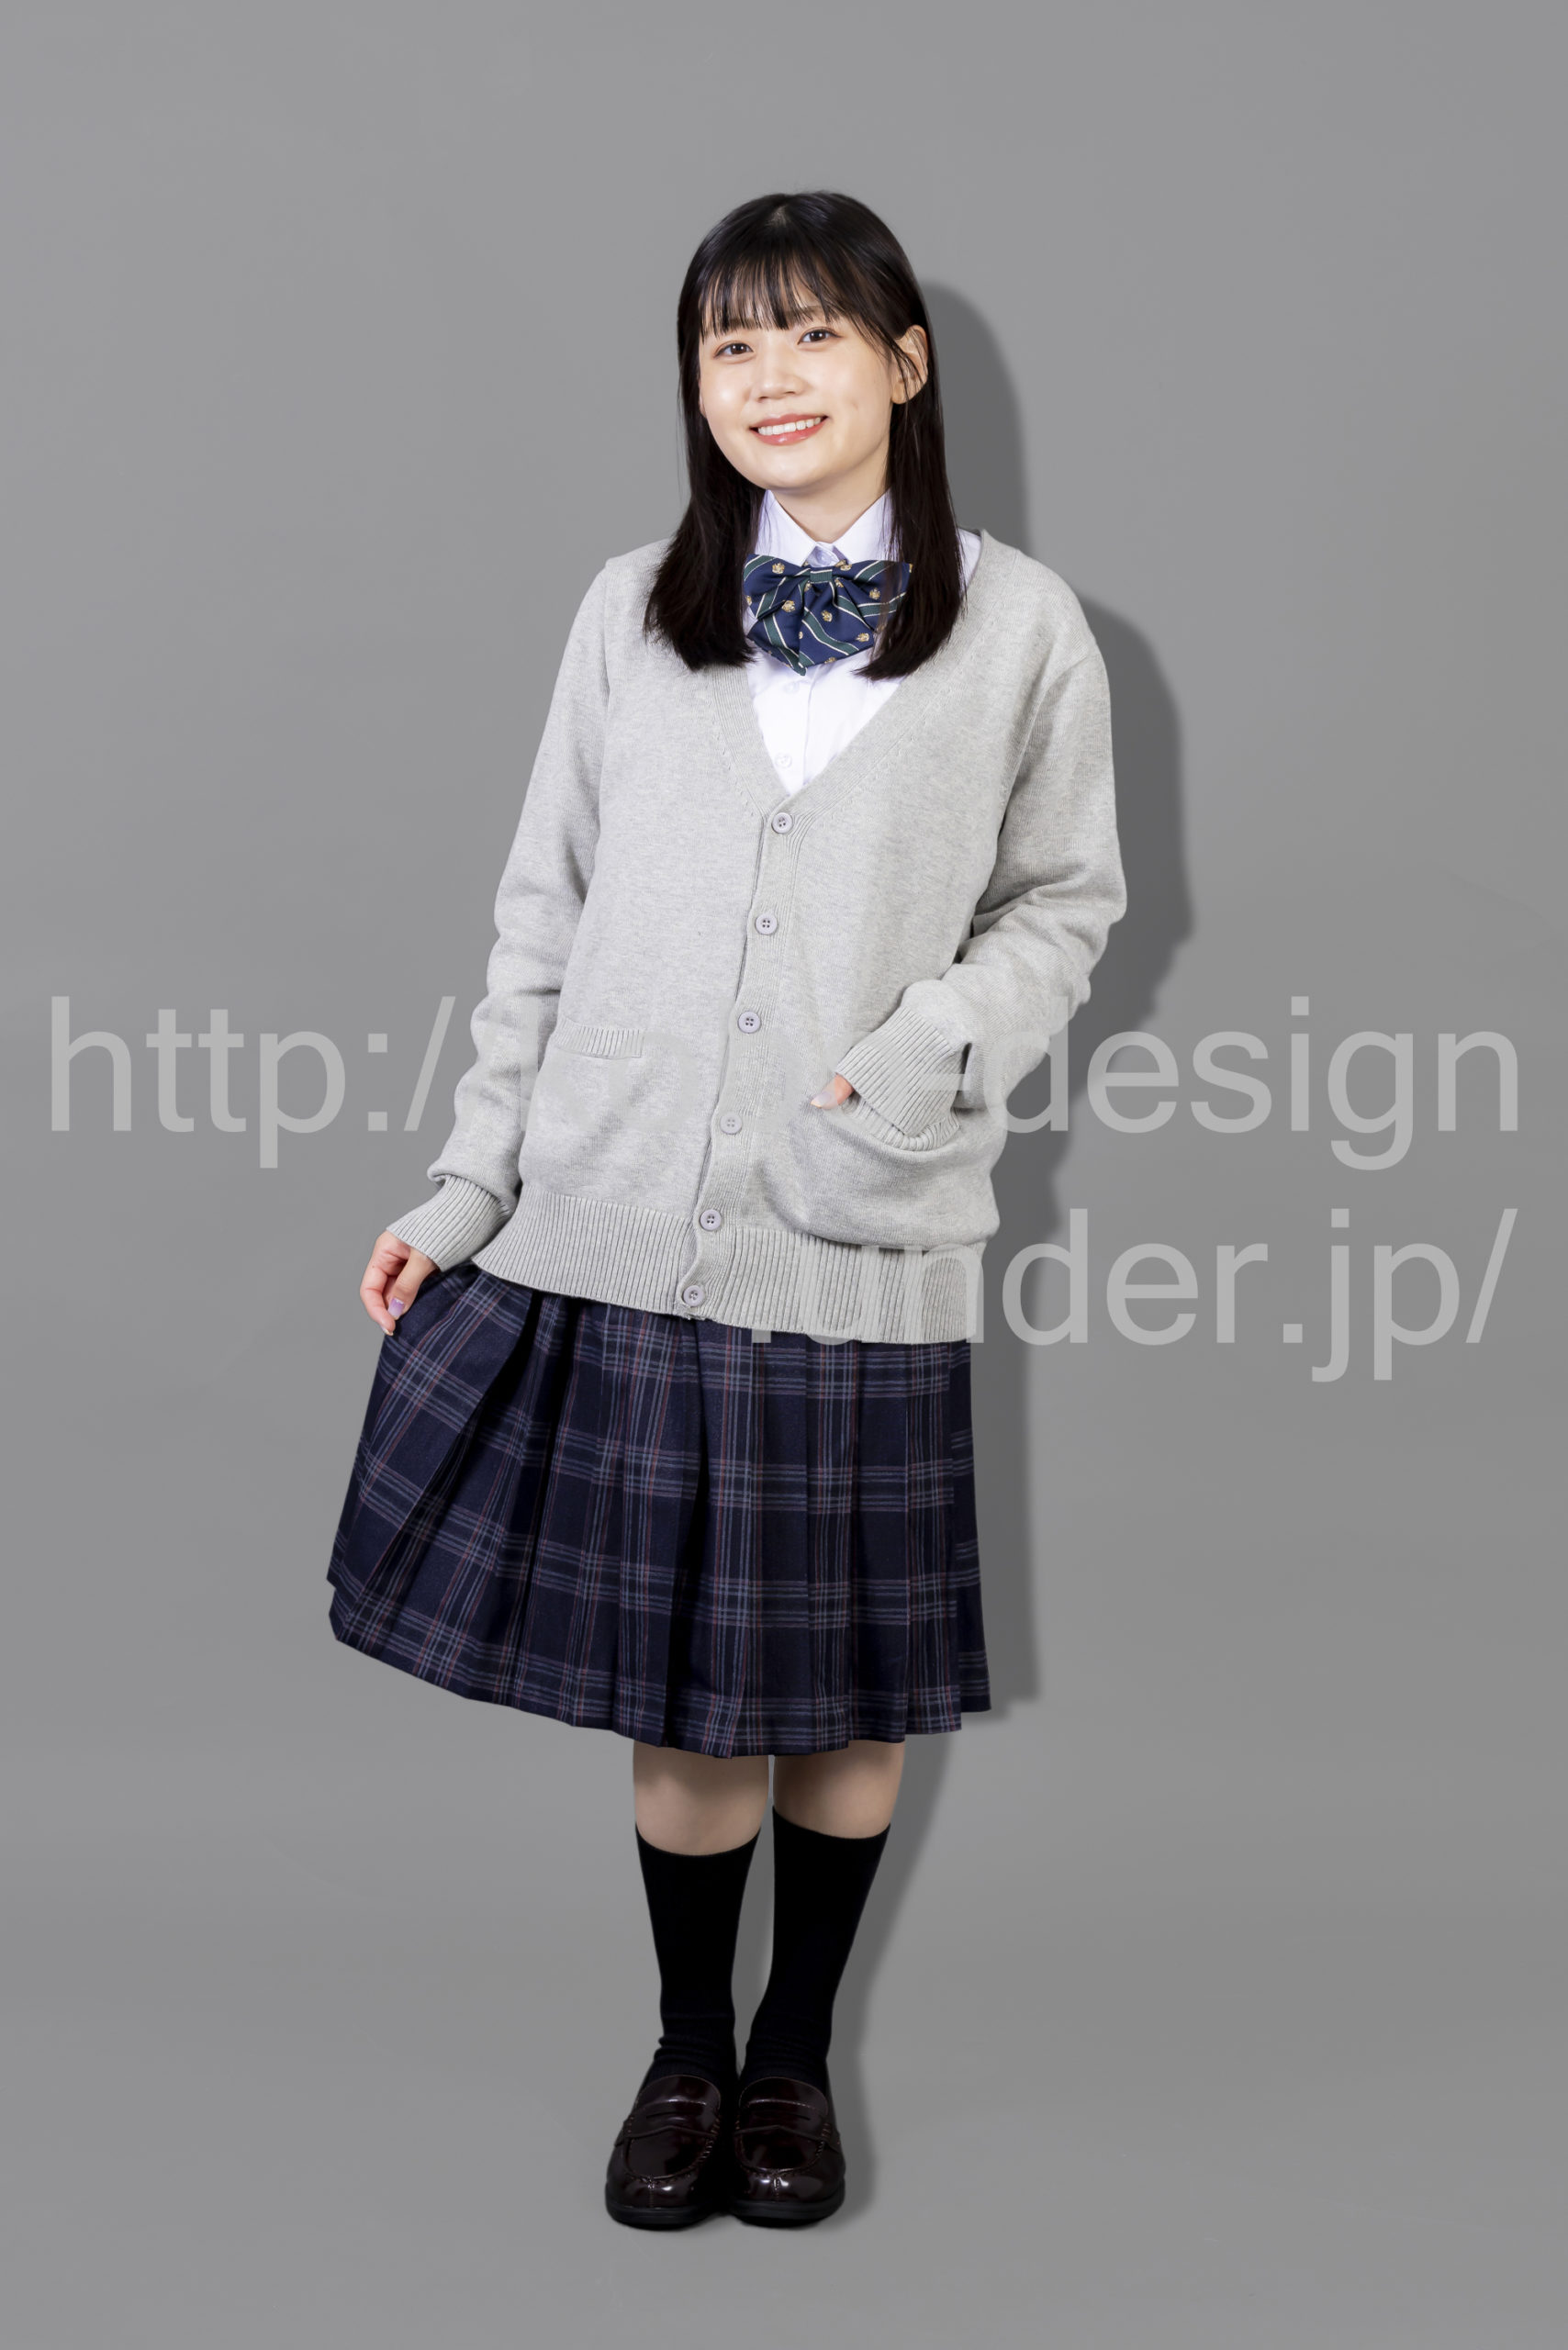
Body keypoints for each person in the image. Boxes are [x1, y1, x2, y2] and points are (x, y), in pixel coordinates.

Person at [327, 187, 1127, 2229]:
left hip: (863, 1230)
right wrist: (471, 1179)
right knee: (683, 1704)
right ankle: (686, 2052)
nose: (769, 378)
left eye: (810, 334)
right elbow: (541, 916)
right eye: (727, 344)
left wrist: (924, 1050)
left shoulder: (1022, 627)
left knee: (844, 1691)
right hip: (619, 1219)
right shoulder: (631, 608)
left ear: (902, 363)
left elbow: (1065, 905)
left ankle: (796, 2057)